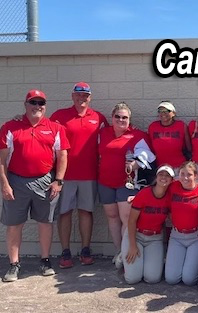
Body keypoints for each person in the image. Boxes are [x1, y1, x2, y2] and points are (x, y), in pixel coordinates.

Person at [1, 90, 70, 282]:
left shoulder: (55, 128)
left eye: (41, 103)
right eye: (33, 102)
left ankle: (45, 260)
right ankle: (14, 264)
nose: (37, 106)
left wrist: (58, 180)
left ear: (45, 106)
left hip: (45, 182)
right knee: (14, 225)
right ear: (25, 104)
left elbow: (62, 155)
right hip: (16, 182)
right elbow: (2, 159)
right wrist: (5, 184)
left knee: (45, 223)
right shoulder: (10, 127)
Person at [51, 82, 108, 269]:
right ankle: (65, 251)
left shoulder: (98, 117)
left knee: (86, 211)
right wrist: (20, 119)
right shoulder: (59, 116)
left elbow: (110, 137)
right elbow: (42, 130)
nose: (81, 98)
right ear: (72, 96)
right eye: (78, 95)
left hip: (89, 174)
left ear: (89, 97)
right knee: (64, 212)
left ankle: (85, 250)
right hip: (64, 175)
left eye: (85, 95)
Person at [98, 102, 156, 269]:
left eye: (125, 117)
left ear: (129, 119)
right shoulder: (103, 133)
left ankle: (125, 253)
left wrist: (136, 165)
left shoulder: (138, 135)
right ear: (112, 117)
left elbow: (149, 158)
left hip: (127, 184)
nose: (121, 120)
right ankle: (119, 251)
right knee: (112, 217)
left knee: (126, 219)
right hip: (105, 182)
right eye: (118, 116)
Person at [122, 165, 174, 284]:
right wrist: (132, 245)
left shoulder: (170, 197)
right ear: (156, 177)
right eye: (161, 174)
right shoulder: (144, 193)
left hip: (155, 238)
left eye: (167, 176)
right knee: (132, 279)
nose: (164, 178)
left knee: (152, 279)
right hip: (137, 236)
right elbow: (131, 221)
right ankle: (123, 259)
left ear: (172, 180)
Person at [165, 161, 198, 285]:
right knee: (171, 279)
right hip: (176, 236)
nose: (185, 177)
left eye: (189, 174)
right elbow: (155, 191)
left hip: (196, 237)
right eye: (182, 174)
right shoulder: (173, 187)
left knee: (189, 280)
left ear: (196, 176)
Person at [148, 100, 191, 170]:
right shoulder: (153, 126)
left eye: (166, 111)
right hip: (160, 167)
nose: (163, 113)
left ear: (173, 113)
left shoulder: (181, 125)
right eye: (160, 111)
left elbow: (189, 148)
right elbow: (149, 147)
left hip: (179, 166)